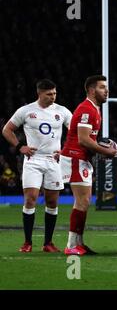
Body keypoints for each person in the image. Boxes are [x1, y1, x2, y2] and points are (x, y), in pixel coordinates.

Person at [2, 79, 72, 253]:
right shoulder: (26, 111)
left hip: (53, 160)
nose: (53, 97)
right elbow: (7, 130)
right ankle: (27, 242)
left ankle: (48, 243)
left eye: (55, 93)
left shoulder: (62, 111)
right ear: (39, 93)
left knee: (52, 201)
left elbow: (75, 132)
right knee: (31, 198)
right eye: (49, 94)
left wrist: (65, 150)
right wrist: (20, 147)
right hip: (33, 160)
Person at [60, 75, 117, 256]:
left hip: (81, 158)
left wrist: (101, 148)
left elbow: (89, 140)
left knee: (84, 201)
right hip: (75, 157)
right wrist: (106, 152)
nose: (106, 91)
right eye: (102, 87)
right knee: (82, 201)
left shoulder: (94, 109)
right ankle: (71, 244)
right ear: (92, 90)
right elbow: (83, 139)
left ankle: (78, 242)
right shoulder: (87, 109)